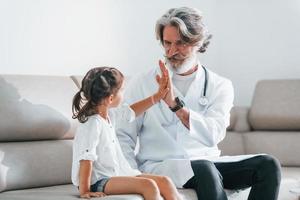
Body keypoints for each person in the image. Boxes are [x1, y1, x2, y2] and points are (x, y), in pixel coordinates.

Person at [116, 7, 281, 200]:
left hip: (208, 161)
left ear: (198, 43)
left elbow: (214, 135)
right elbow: (123, 135)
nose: (171, 51)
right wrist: (133, 177)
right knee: (203, 170)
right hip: (161, 165)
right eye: (167, 43)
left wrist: (176, 107)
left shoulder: (219, 85)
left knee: (268, 165)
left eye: (180, 43)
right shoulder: (142, 83)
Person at [71, 66, 183, 200]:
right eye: (122, 90)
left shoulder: (109, 115)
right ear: (110, 99)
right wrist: (85, 191)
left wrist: (157, 97)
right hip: (99, 181)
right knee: (148, 185)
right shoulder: (93, 124)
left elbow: (131, 111)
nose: (124, 94)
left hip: (118, 173)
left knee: (165, 182)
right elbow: (86, 159)